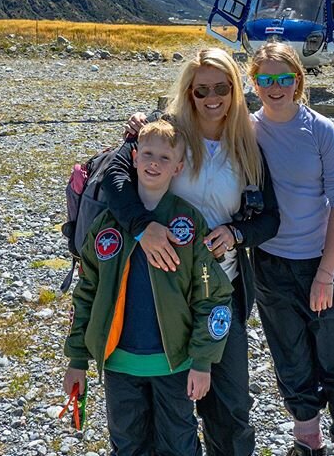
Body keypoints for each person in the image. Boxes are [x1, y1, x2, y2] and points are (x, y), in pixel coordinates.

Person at [102, 48, 280, 456]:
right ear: (189, 91)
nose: (212, 98)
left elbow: (271, 218)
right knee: (155, 410)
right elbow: (115, 174)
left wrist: (237, 234)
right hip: (159, 293)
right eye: (201, 90)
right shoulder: (167, 133)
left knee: (230, 405)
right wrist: (142, 226)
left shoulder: (247, 145)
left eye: (222, 88)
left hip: (220, 291)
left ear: (235, 90)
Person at [63, 121, 233, 456]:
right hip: (118, 364)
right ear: (135, 157)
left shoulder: (188, 222)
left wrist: (202, 361)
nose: (154, 163)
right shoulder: (108, 224)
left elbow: (211, 296)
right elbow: (86, 294)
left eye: (165, 158)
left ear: (178, 168)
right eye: (148, 154)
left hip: (176, 364)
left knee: (180, 444)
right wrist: (77, 358)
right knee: (128, 445)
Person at [249, 42, 334, 456]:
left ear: (299, 81)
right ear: (254, 83)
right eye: (265, 79)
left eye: (284, 78)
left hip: (322, 261)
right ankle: (307, 440)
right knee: (290, 355)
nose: (275, 87)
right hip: (269, 262)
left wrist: (326, 272)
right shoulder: (247, 131)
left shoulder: (321, 130)